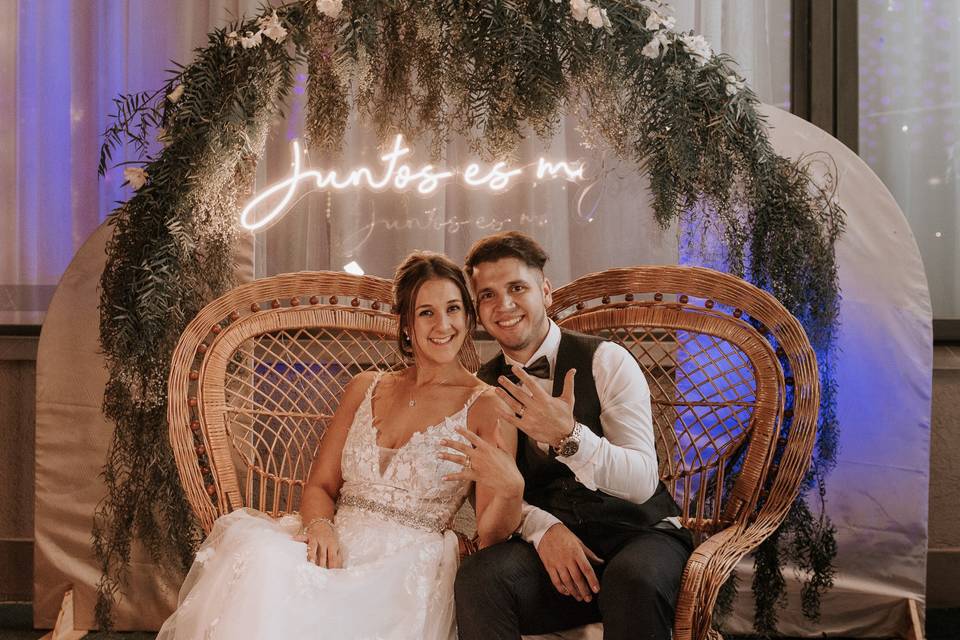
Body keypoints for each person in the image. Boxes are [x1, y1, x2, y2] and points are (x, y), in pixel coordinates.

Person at [157, 251, 523, 640]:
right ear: (406, 325)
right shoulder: (365, 387)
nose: (443, 325)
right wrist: (319, 526)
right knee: (260, 560)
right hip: (331, 546)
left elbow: (490, 533)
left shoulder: (487, 406)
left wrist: (511, 487)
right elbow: (320, 487)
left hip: (408, 565)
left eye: (453, 309)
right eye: (426, 313)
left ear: (468, 317)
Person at [455, 232, 693, 640]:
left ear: (545, 292)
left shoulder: (606, 361)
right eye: (488, 296)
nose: (504, 306)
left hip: (640, 536)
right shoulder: (481, 389)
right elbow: (492, 497)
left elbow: (640, 482)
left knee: (632, 582)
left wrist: (570, 436)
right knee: (481, 578)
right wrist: (544, 529)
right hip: (555, 555)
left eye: (517, 288)